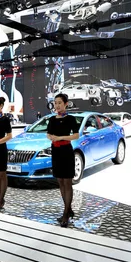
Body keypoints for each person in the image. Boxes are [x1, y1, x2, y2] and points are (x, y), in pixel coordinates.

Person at [47, 94, 80, 227]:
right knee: (60, 181)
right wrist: (51, 137)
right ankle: (68, 208)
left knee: (67, 182)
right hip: (56, 152)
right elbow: (48, 134)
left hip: (66, 151)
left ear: (66, 104)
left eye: (60, 103)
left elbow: (76, 135)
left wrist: (60, 138)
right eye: (55, 103)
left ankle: (66, 213)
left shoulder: (71, 119)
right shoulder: (52, 119)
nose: (57, 105)